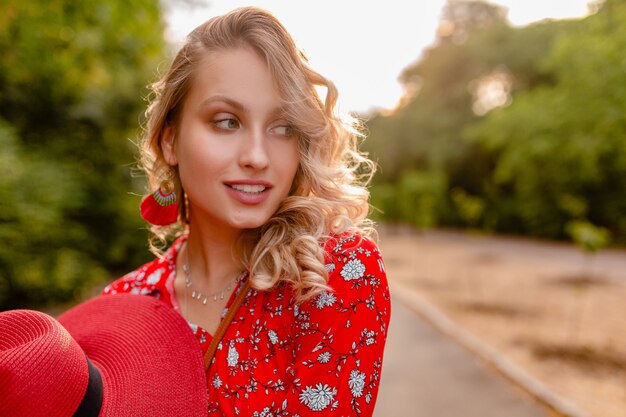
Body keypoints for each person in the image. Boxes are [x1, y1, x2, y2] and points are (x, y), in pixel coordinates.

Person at [103, 6, 391, 416]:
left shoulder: (332, 274)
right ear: (170, 140)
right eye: (226, 122)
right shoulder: (123, 305)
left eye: (282, 127)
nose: (257, 156)